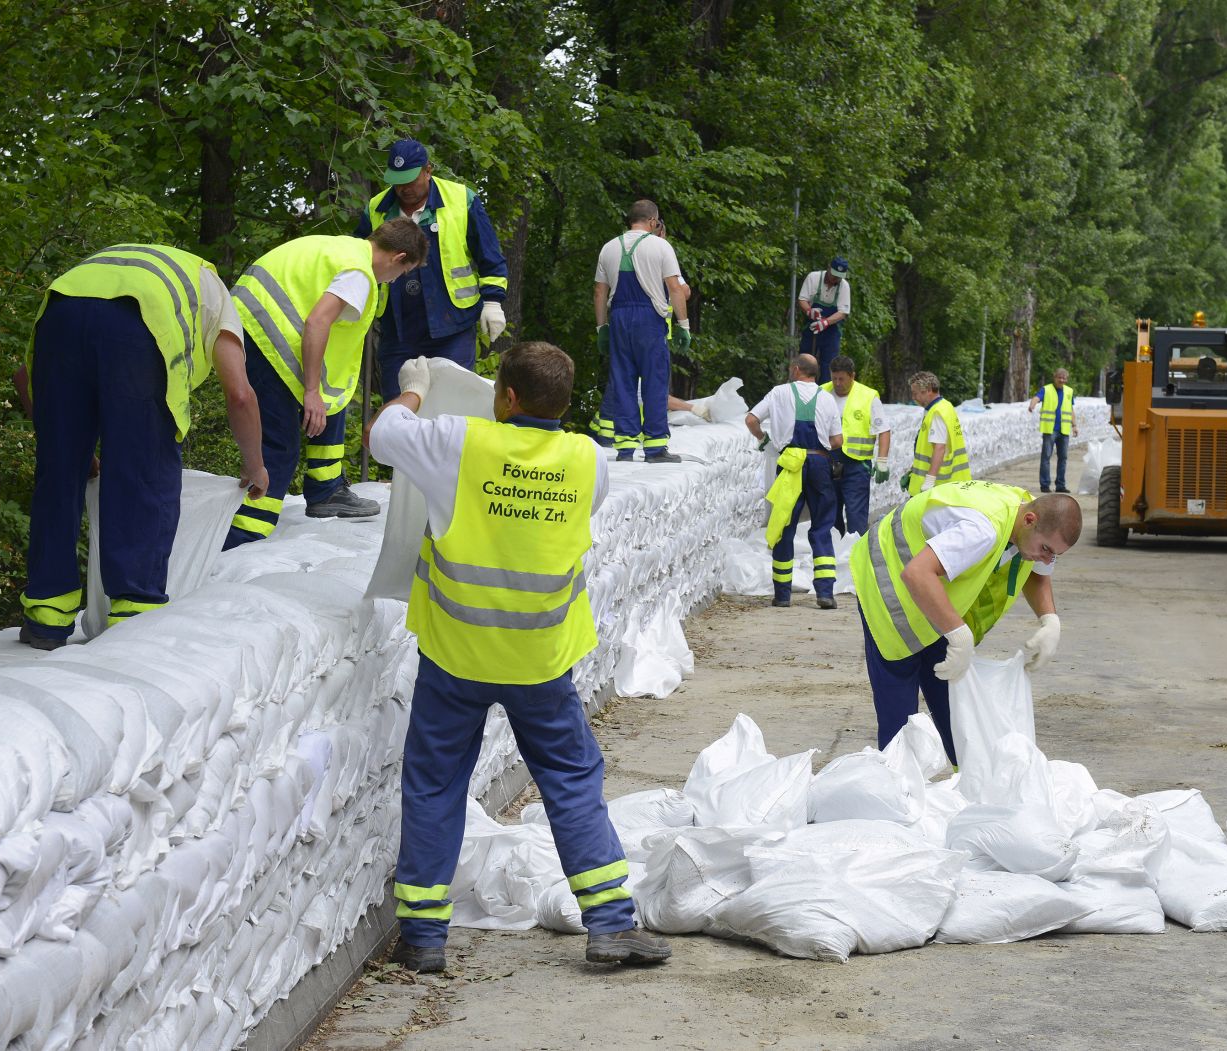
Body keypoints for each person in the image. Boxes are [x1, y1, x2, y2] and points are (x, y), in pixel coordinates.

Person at [365, 342, 671, 972]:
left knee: (436, 782)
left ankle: (423, 936)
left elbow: (384, 434)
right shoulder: (589, 459)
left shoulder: (458, 442)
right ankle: (611, 922)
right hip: (540, 656)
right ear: (562, 402)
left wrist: (416, 387)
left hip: (457, 654)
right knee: (571, 779)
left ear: (505, 396)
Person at [18, 244, 270, 649]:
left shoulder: (125, 265)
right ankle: (134, 612)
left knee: (58, 474)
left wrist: (65, 445)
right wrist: (255, 465)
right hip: (138, 323)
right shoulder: (221, 303)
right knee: (142, 470)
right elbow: (240, 394)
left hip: (59, 311)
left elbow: (23, 376)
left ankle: (46, 614)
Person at [222, 221, 429, 548]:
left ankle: (326, 489)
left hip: (249, 321)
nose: (398, 279)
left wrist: (319, 391)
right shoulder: (358, 275)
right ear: (398, 257)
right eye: (405, 271)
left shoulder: (344, 249)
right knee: (280, 445)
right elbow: (317, 321)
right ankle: (243, 535)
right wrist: (311, 391)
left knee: (331, 403)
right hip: (264, 335)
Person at [851, 481, 1082, 762]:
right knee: (899, 705)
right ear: (1029, 520)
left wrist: (1050, 620)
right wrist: (958, 634)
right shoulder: (981, 530)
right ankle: (897, 787)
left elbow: (1038, 571)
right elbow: (917, 574)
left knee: (955, 698)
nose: (1046, 558)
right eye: (1045, 549)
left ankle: (968, 781)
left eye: (1054, 554)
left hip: (932, 593)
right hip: (887, 582)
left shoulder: (1032, 518)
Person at [356, 138, 510, 400]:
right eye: (398, 180)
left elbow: (489, 255)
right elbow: (359, 260)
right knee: (398, 405)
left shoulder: (462, 200)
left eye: (411, 179)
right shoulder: (376, 208)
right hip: (398, 329)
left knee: (451, 403)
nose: (403, 188)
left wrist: (493, 301)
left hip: (452, 327)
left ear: (428, 170)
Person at [594, 199, 690, 462]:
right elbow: (675, 288)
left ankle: (624, 447)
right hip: (649, 320)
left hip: (619, 319)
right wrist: (683, 325)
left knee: (622, 381)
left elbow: (600, 291)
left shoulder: (608, 248)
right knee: (655, 381)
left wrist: (602, 327)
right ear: (652, 221)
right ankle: (655, 447)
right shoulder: (661, 246)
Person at [745, 354, 844, 609]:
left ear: (796, 369)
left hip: (790, 464)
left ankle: (782, 595)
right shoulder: (827, 398)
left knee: (784, 526)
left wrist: (765, 442)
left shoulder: (778, 393)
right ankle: (825, 593)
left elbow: (751, 420)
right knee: (822, 526)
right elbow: (837, 441)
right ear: (816, 374)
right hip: (819, 464)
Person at [827, 356, 892, 536]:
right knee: (829, 515)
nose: (837, 383)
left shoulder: (868, 396)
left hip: (856, 465)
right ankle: (832, 555)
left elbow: (884, 430)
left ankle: (856, 558)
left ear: (852, 376)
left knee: (856, 515)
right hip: (828, 462)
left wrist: (882, 461)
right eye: (834, 378)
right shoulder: (822, 393)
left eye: (842, 379)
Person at [906, 371, 970, 492]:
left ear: (929, 390)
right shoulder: (945, 406)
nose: (914, 398)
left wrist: (929, 480)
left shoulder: (937, 413)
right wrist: (913, 471)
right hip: (947, 482)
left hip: (937, 484)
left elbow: (939, 447)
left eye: (916, 394)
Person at [797, 256, 851, 377]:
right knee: (805, 361)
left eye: (838, 277)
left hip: (831, 331)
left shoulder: (844, 286)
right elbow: (802, 299)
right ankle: (801, 390)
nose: (835, 279)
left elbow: (843, 312)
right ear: (828, 268)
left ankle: (825, 393)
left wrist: (825, 322)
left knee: (829, 365)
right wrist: (809, 311)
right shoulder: (813, 278)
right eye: (833, 275)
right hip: (811, 327)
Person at [1027, 368, 1077, 492]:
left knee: (1063, 458)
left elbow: (1070, 409)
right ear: (1054, 377)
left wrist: (1074, 425)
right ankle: (1045, 485)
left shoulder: (1069, 391)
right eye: (1059, 377)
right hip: (1050, 430)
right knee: (1046, 457)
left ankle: (1060, 485)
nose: (1061, 380)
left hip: (1063, 430)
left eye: (1064, 378)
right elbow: (1037, 398)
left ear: (1066, 379)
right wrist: (1032, 404)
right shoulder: (1046, 389)